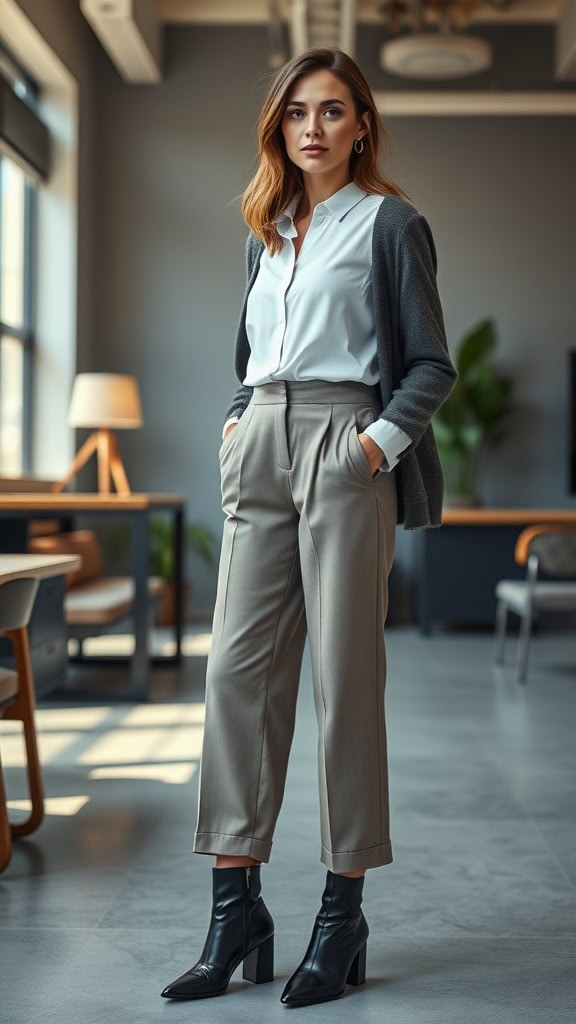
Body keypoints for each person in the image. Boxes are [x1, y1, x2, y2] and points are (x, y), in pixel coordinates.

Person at [161, 47, 456, 1008]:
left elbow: (429, 367)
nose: (314, 128)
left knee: (344, 683)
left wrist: (372, 447)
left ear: (361, 125)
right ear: (279, 127)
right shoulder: (266, 231)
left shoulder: (390, 225)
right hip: (262, 446)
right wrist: (240, 422)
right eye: (297, 112)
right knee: (234, 675)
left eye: (333, 111)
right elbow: (253, 356)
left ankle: (342, 910)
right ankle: (233, 906)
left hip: (344, 446)